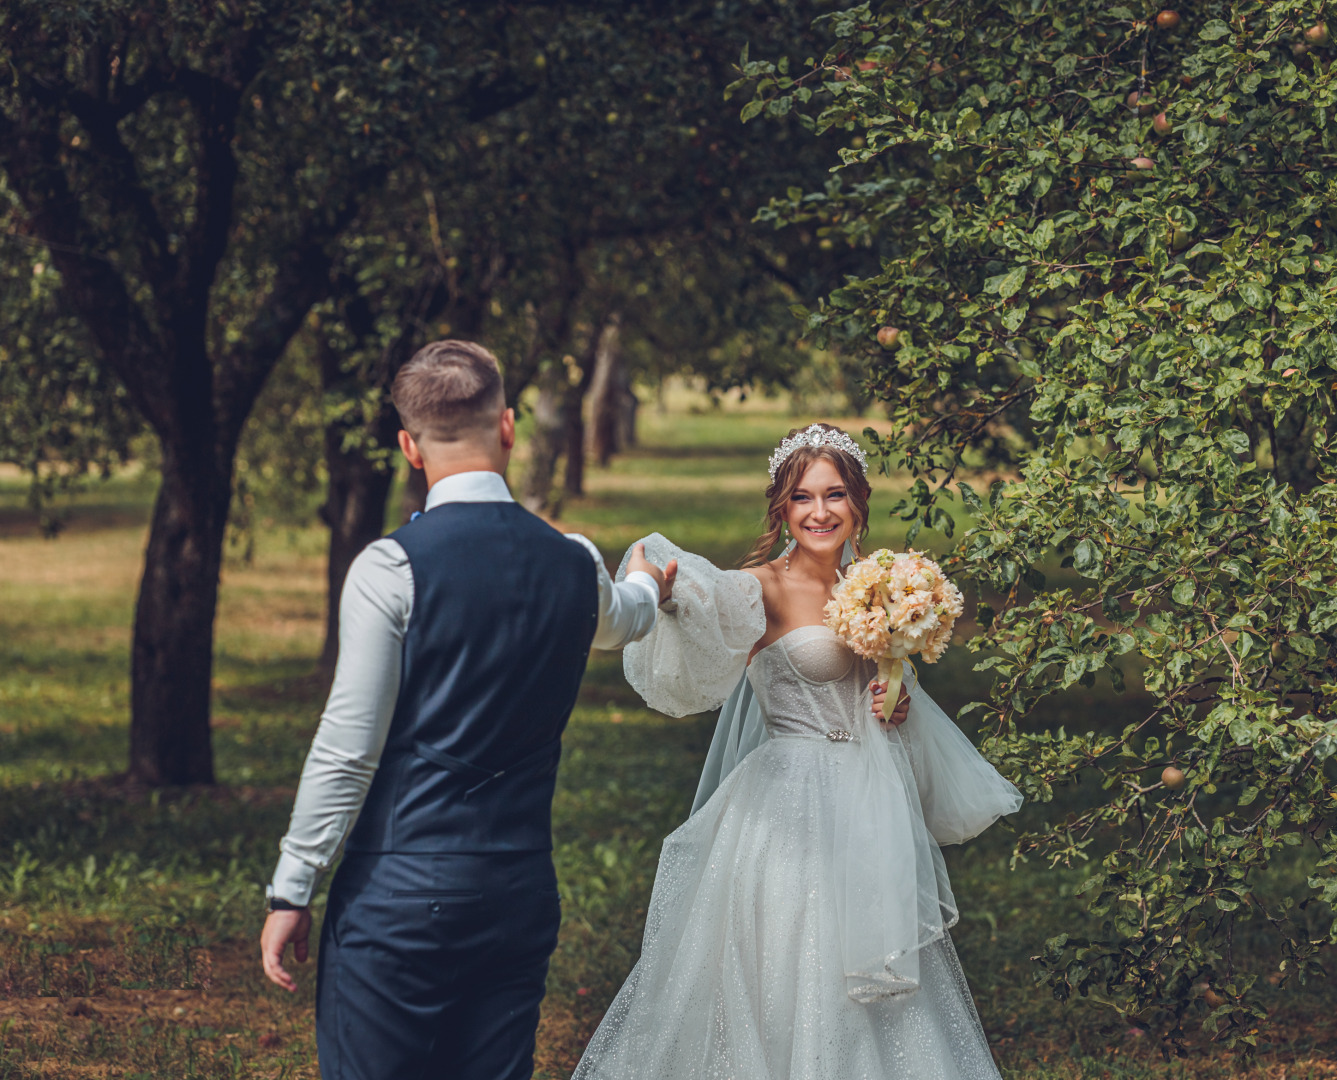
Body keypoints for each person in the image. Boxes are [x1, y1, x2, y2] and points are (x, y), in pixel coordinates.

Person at [258, 339, 674, 1080]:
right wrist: (645, 580)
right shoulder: (576, 564)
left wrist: (294, 884)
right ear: (507, 427)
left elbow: (347, 747)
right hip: (517, 891)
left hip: (399, 892)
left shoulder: (389, 569)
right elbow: (628, 617)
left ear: (408, 448)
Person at [573, 423, 1024, 1080]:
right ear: (781, 507)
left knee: (871, 964)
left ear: (858, 503)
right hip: (789, 805)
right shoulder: (763, 588)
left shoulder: (877, 589)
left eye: (834, 495)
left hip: (869, 802)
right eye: (802, 497)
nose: (819, 512)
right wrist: (664, 591)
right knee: (796, 961)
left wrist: (895, 700)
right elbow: (699, 598)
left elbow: (885, 687)